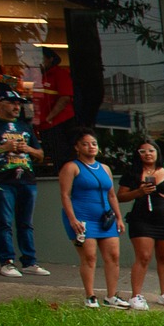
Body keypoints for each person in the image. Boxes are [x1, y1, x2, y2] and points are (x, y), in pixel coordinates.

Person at [0, 84, 47, 279]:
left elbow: (40, 154)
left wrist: (28, 150)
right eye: (12, 103)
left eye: (19, 103)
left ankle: (29, 261)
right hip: (2, 181)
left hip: (27, 180)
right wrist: (4, 147)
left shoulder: (25, 127)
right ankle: (7, 261)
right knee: (4, 222)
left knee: (26, 223)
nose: (17, 107)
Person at [117, 138, 164, 309]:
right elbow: (120, 196)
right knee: (143, 256)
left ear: (157, 152)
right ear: (138, 154)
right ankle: (136, 296)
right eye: (143, 151)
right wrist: (139, 191)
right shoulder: (133, 172)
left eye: (151, 150)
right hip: (141, 219)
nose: (147, 154)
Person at [59, 130, 123, 310]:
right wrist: (72, 219)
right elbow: (65, 195)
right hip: (82, 218)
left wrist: (118, 217)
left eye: (94, 143)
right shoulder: (72, 167)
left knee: (113, 256)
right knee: (89, 256)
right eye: (86, 144)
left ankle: (111, 296)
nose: (91, 147)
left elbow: (111, 195)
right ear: (77, 147)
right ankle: (90, 296)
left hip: (105, 219)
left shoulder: (105, 168)